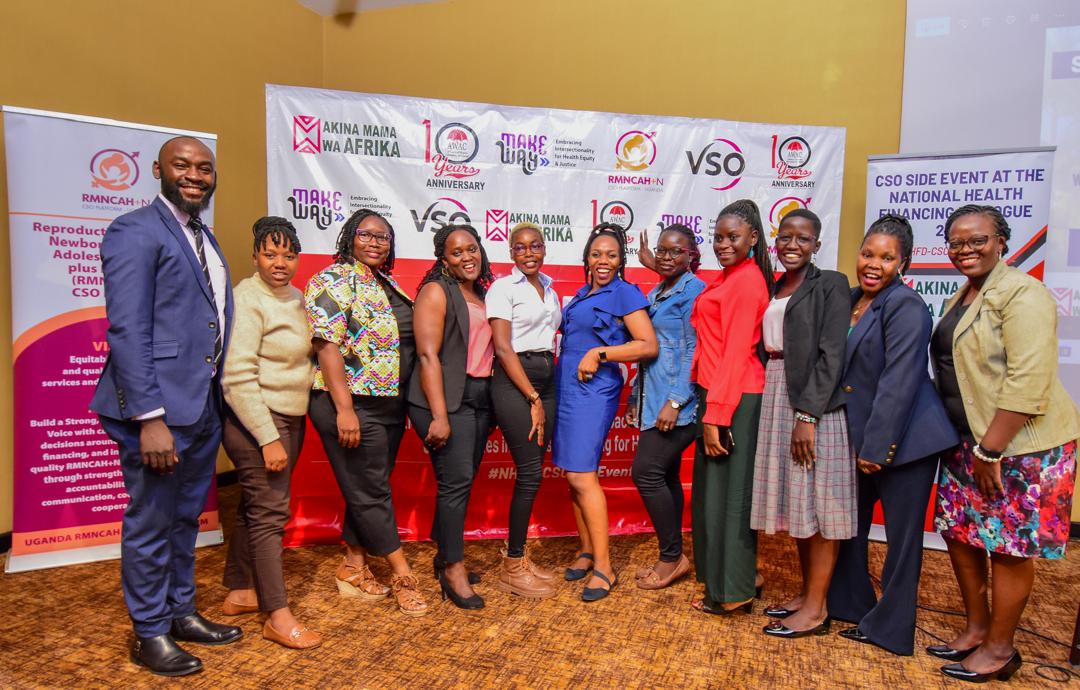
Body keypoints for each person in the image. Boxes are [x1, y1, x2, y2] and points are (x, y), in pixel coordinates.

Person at [90, 136, 240, 677]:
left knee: (184, 520)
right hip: (157, 413)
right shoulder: (134, 230)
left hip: (200, 405)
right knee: (152, 522)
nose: (195, 174)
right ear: (158, 170)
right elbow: (128, 329)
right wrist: (148, 417)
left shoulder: (202, 233)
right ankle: (149, 631)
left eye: (204, 167)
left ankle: (181, 611)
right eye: (183, 165)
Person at [929, 205, 1080, 682]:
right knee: (960, 534)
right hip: (964, 440)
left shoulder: (1023, 293)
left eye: (977, 240)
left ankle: (1000, 648)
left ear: (1001, 242)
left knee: (1009, 546)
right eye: (956, 242)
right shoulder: (968, 292)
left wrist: (991, 450)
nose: (965, 250)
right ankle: (975, 629)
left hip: (1018, 447)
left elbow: (1029, 380)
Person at [827, 214, 958, 656]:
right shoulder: (848, 299)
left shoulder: (906, 305)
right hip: (857, 436)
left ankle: (891, 628)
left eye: (887, 257)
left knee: (903, 544)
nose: (874, 264)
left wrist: (878, 448)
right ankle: (850, 605)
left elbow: (900, 379)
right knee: (850, 527)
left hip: (906, 440)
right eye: (868, 253)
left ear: (904, 262)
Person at [305, 209, 428, 617]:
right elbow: (327, 348)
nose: (375, 242)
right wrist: (344, 410)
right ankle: (402, 575)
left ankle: (353, 567)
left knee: (368, 487)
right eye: (366, 235)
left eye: (384, 237)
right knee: (371, 491)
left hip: (387, 405)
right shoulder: (332, 280)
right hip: (350, 404)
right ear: (349, 237)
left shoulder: (386, 283)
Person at [748, 209, 854, 638]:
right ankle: (809, 594)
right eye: (786, 237)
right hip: (775, 389)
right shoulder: (775, 285)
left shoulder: (830, 284)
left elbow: (832, 354)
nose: (793, 245)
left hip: (812, 401)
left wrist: (807, 415)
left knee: (821, 504)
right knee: (799, 502)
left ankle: (815, 609)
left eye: (803, 239)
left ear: (817, 245)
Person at [218, 218, 320, 648]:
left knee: (255, 506)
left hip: (288, 417)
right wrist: (267, 437)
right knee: (270, 515)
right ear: (255, 255)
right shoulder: (247, 297)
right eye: (269, 253)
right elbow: (236, 377)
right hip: (256, 421)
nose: (279, 263)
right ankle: (277, 616)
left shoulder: (296, 297)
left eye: (288, 254)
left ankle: (240, 590)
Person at [554, 223, 657, 602]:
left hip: (593, 392)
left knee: (583, 477)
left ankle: (604, 568)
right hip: (568, 388)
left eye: (611, 255)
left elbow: (647, 345)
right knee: (572, 475)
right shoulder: (583, 294)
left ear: (620, 260)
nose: (603, 261)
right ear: (586, 257)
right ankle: (585, 551)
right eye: (597, 254)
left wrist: (600, 353)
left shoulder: (624, 293)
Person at [689, 199, 774, 616]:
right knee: (713, 497)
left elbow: (737, 352)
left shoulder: (745, 281)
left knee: (731, 499)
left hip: (735, 397)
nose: (723, 244)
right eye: (718, 237)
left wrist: (716, 415)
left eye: (733, 237)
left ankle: (735, 590)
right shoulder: (728, 277)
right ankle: (728, 581)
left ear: (753, 238)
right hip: (717, 394)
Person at [408, 224, 496, 609]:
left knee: (461, 480)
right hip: (442, 399)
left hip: (477, 396)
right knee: (455, 482)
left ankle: (445, 555)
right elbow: (428, 356)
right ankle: (453, 570)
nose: (466, 257)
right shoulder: (436, 291)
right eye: (456, 252)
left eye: (471, 249)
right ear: (444, 259)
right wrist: (439, 416)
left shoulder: (481, 293)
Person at [626, 224, 705, 590]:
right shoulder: (660, 290)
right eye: (662, 251)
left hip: (678, 403)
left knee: (646, 472)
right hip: (653, 398)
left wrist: (676, 400)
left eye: (676, 251)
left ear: (692, 255)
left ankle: (671, 556)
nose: (668, 256)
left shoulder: (694, 292)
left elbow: (693, 350)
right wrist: (636, 399)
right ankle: (675, 555)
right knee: (667, 475)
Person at [486, 223, 561, 599]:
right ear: (511, 252)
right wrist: (532, 397)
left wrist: (542, 394)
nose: (528, 252)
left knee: (534, 472)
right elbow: (502, 347)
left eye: (535, 246)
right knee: (529, 473)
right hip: (517, 383)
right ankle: (512, 565)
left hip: (546, 380)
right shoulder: (502, 288)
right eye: (520, 247)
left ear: (544, 249)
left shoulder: (550, 288)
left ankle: (519, 559)